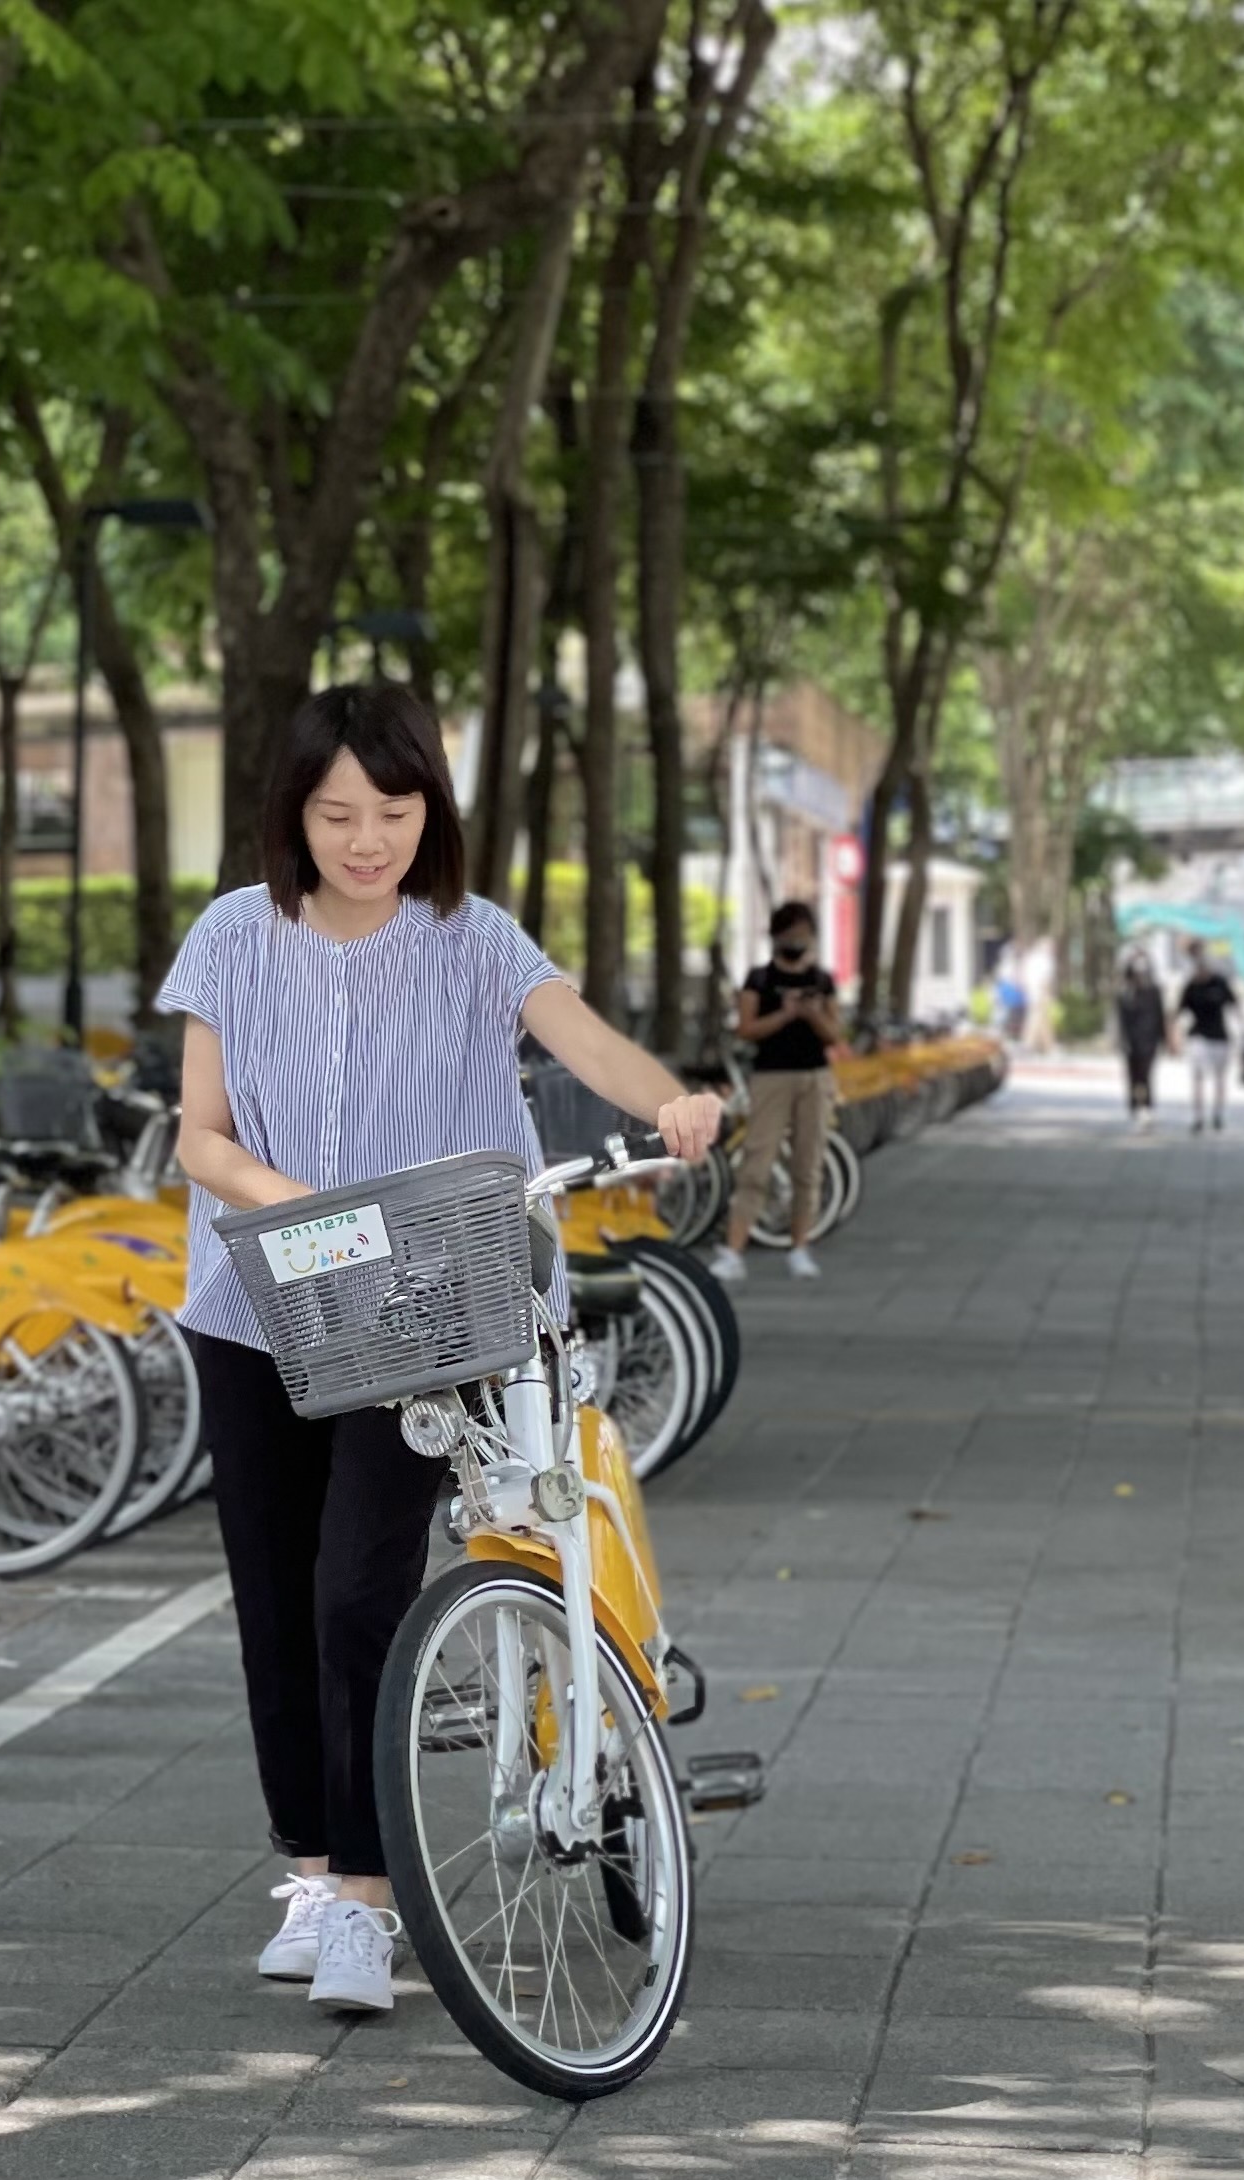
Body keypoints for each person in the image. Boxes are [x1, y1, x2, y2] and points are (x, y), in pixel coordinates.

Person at [162, 682, 724, 2019]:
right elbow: (199, 1134)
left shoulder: (473, 941)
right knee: (275, 1602)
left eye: (394, 813)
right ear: (292, 814)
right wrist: (306, 1212)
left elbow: (578, 1037)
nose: (366, 841)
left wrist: (675, 1100)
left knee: (361, 1589)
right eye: (337, 813)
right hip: (254, 1302)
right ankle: (307, 1873)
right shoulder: (233, 938)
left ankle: (368, 1901)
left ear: (432, 812)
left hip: (419, 1301)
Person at [710, 901, 842, 1283]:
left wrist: (812, 1013)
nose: (796, 942)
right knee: (757, 1161)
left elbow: (835, 1033)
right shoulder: (760, 979)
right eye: (790, 935)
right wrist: (783, 1014)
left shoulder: (822, 981)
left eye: (803, 935)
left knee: (808, 1164)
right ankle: (733, 1250)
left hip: (814, 1077)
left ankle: (800, 1247)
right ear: (775, 936)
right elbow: (745, 1028)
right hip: (770, 1077)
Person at [1175, 941, 1241, 1134]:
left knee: (1220, 1078)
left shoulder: (1220, 983)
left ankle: (1218, 1114)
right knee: (1197, 1077)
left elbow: (1235, 1006)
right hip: (1198, 1037)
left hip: (1220, 1037)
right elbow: (1178, 1012)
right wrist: (1174, 1036)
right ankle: (1198, 1116)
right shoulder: (1190, 986)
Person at [1115, 952, 1166, 1130]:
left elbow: (1160, 1017)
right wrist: (1121, 1039)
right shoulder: (1125, 993)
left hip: (1149, 1041)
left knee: (1146, 1075)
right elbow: (1121, 1019)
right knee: (1133, 1075)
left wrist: (1164, 1039)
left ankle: (1147, 1106)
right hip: (1131, 1041)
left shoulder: (1153, 991)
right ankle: (1134, 1106)